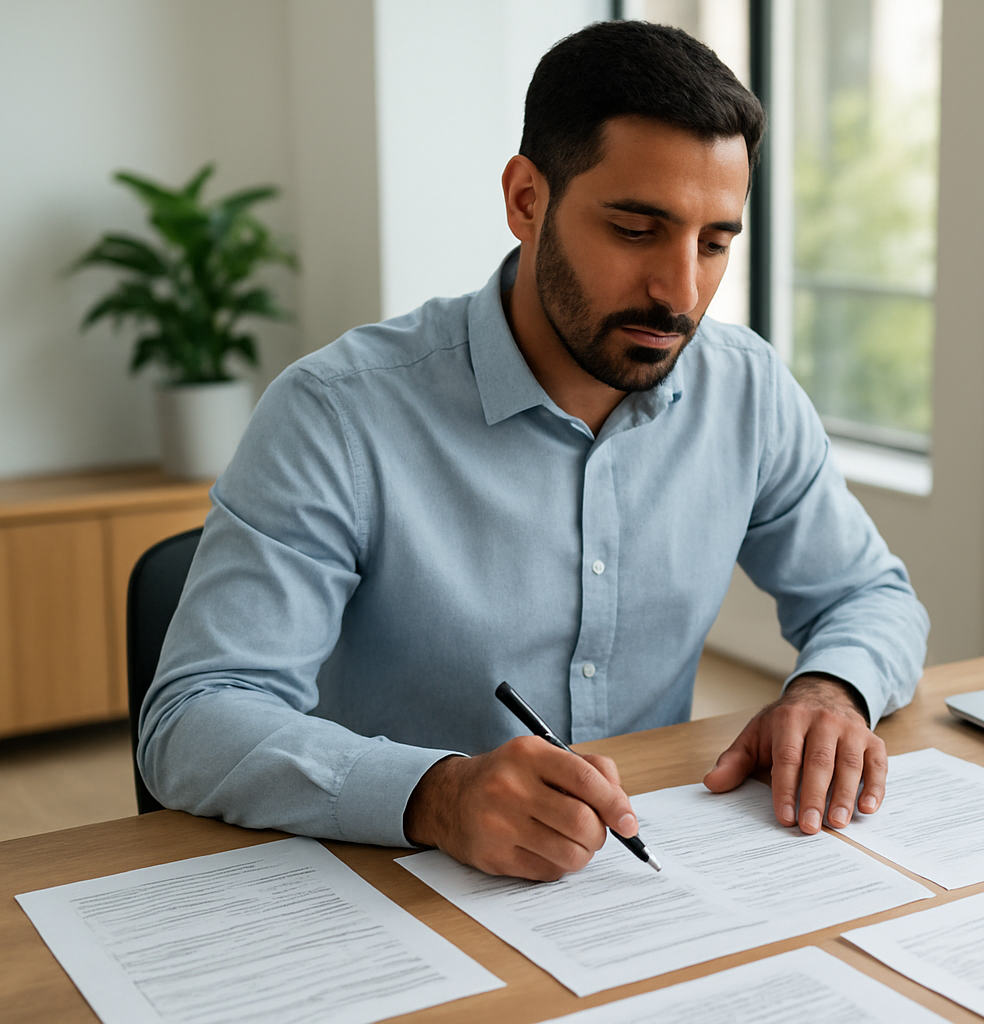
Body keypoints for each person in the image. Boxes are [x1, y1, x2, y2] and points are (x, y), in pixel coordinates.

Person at [139, 20, 927, 882]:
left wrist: (831, 690)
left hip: (635, 881)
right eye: (635, 229)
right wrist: (434, 794)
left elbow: (869, 596)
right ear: (525, 200)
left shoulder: (747, 391)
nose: (680, 292)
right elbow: (193, 719)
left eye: (714, 243)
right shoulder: (336, 413)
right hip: (388, 885)